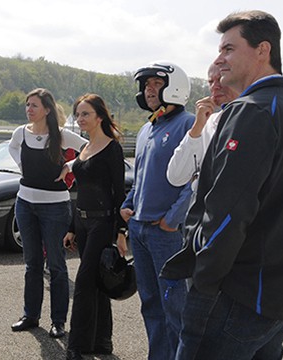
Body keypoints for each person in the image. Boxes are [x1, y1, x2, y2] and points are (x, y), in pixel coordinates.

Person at [162, 10, 283, 359]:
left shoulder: (251, 111)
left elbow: (227, 213)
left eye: (229, 48)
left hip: (236, 294)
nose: (219, 58)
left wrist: (203, 280)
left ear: (263, 50)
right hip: (279, 297)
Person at [120, 61, 194, 360]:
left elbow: (195, 181)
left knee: (175, 306)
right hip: (139, 229)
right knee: (150, 304)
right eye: (146, 85)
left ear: (174, 87)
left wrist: (172, 220)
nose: (150, 90)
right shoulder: (147, 128)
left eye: (156, 84)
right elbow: (141, 177)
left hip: (166, 233)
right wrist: (127, 207)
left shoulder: (188, 124)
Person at [7, 88, 87, 338]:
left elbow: (91, 147)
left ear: (47, 110)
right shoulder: (20, 133)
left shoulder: (62, 136)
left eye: (34, 105)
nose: (29, 109)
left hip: (55, 207)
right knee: (32, 265)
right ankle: (30, 316)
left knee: (56, 265)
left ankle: (58, 321)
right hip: (25, 204)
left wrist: (70, 165)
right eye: (27, 105)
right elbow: (12, 149)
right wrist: (22, 166)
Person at [61, 94, 125, 359]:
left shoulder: (112, 148)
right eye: (78, 114)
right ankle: (102, 341)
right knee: (96, 281)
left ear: (100, 116)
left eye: (85, 114)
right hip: (84, 222)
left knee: (85, 282)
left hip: (103, 222)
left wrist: (121, 232)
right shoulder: (84, 149)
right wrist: (72, 228)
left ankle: (76, 345)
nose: (80, 119)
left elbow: (119, 193)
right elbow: (81, 192)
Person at [166, 63, 236, 187]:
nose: (215, 87)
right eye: (210, 82)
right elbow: (176, 177)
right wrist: (197, 128)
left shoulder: (256, 118)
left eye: (220, 79)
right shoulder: (208, 124)